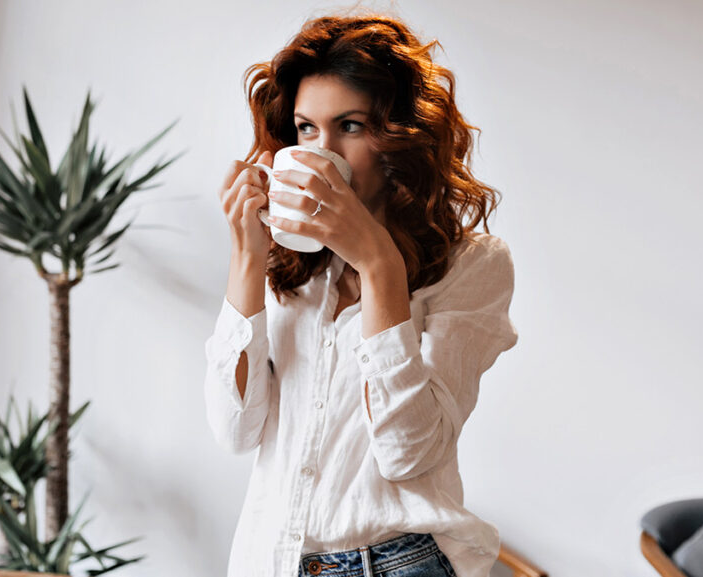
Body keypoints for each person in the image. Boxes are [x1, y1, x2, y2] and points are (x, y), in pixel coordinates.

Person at [204, 11, 519, 577]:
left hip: (398, 563)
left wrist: (378, 264)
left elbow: (408, 451)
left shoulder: (472, 265)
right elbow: (235, 431)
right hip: (268, 559)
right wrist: (248, 258)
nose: (323, 151)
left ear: (399, 135)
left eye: (349, 126)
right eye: (306, 129)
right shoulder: (289, 266)